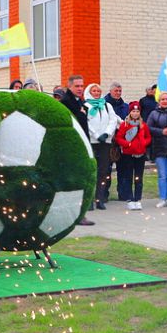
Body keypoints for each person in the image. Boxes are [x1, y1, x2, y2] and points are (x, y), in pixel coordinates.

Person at [60, 75, 94, 225]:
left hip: (82, 144)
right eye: (77, 86)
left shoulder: (80, 101)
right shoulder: (66, 102)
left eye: (81, 86)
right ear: (70, 87)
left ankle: (79, 213)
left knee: (80, 181)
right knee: (74, 182)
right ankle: (74, 214)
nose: (80, 89)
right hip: (72, 147)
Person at [84, 83, 120, 210]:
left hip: (105, 142)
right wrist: (96, 134)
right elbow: (86, 122)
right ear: (89, 92)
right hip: (92, 142)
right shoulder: (86, 106)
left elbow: (113, 120)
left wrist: (107, 133)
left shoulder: (106, 105)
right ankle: (89, 201)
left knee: (103, 171)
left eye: (98, 91)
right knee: (91, 171)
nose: (96, 93)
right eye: (94, 91)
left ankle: (99, 198)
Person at [115, 101, 151, 210]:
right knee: (128, 177)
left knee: (138, 178)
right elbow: (119, 138)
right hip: (128, 154)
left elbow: (148, 137)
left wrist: (143, 143)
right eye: (133, 111)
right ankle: (130, 199)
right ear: (130, 112)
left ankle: (137, 199)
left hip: (140, 154)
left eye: (137, 111)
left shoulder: (143, 125)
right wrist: (128, 144)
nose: (135, 113)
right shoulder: (124, 124)